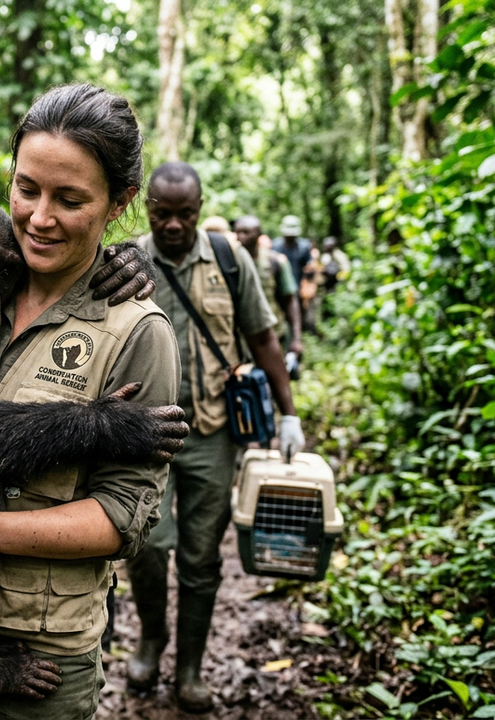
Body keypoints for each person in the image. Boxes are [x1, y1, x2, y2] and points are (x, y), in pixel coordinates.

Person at [0, 83, 183, 720]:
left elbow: (123, 517)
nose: (40, 218)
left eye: (70, 199)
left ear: (119, 203)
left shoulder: (137, 330)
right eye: (26, 189)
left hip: (38, 651)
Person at [124, 162, 305, 712]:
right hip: (144, 433)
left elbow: (263, 336)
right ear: (146, 207)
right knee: (147, 545)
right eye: (162, 213)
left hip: (212, 433)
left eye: (185, 214)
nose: (174, 224)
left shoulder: (231, 259)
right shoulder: (126, 261)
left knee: (202, 555)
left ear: (199, 210)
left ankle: (190, 667)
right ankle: (151, 640)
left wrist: (288, 413)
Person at [235, 215, 303, 363]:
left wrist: (297, 339)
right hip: (239, 341)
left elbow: (290, 300)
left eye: (246, 232)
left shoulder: (275, 262)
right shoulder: (229, 264)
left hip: (273, 335)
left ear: (258, 234)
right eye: (238, 232)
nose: (240, 237)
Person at [273, 216, 318, 335]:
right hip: (279, 288)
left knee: (297, 315)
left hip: (297, 286)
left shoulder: (304, 246)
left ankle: (297, 337)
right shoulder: (276, 246)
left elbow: (309, 266)